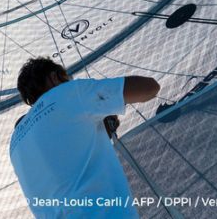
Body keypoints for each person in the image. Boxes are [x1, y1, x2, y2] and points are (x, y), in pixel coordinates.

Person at [9, 57, 160, 218]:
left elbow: (65, 166)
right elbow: (149, 88)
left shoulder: (15, 142)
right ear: (54, 77)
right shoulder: (68, 92)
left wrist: (100, 133)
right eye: (67, 78)